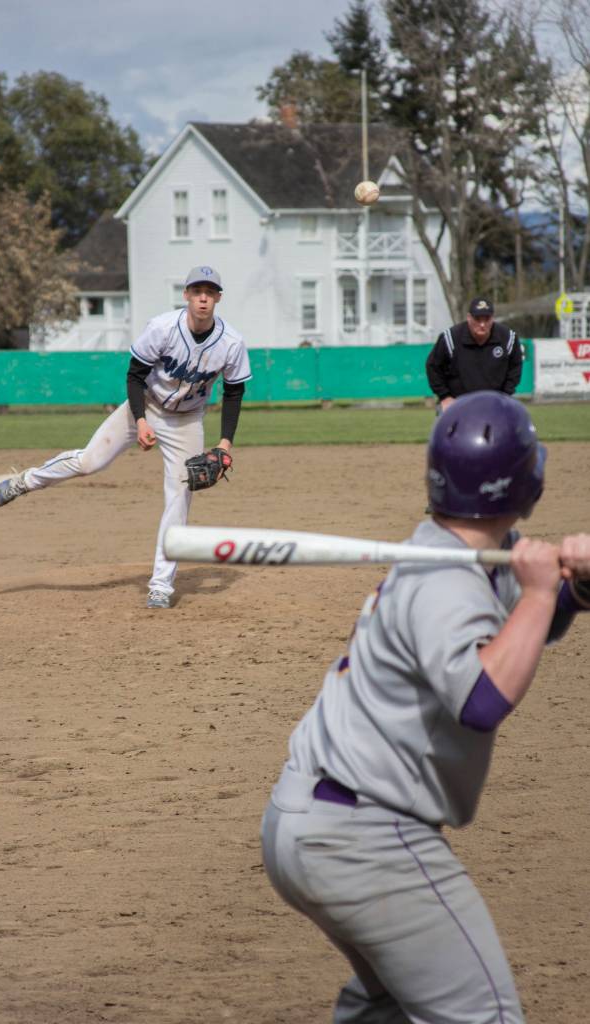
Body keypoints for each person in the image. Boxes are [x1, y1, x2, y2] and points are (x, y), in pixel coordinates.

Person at [261, 391, 590, 1024]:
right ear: (523, 483)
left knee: (385, 1007)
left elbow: (511, 632)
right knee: (485, 1016)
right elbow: (483, 697)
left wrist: (568, 591)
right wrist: (541, 593)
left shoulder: (445, 547)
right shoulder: (443, 582)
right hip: (362, 836)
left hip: (309, 817)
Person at [0, 265, 252, 609]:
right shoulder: (162, 328)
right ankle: (26, 480)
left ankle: (161, 586)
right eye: (197, 290)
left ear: (217, 297)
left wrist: (224, 443)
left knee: (179, 498)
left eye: (210, 291)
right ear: (186, 295)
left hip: (187, 420)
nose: (203, 297)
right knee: (88, 462)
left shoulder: (231, 342)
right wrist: (141, 420)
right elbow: (135, 375)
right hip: (144, 405)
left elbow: (234, 393)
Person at [426, 297, 523, 412]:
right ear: (468, 318)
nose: (482, 324)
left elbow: (515, 367)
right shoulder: (450, 338)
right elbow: (432, 366)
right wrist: (445, 397)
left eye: (486, 319)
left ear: (492, 318)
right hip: (457, 403)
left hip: (494, 402)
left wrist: (505, 395)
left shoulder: (508, 338)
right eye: (477, 319)